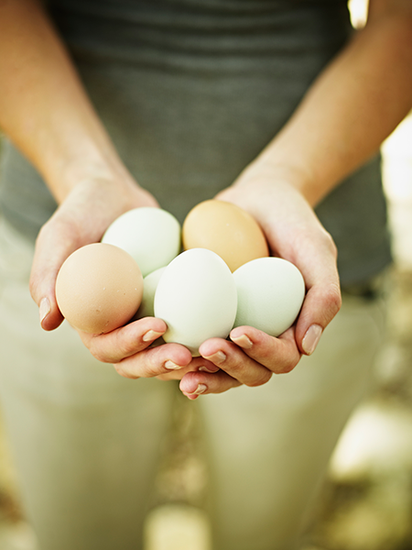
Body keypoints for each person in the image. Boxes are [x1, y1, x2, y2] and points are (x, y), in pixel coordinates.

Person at [0, 0, 411, 548]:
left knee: (263, 537)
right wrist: (82, 172)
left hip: (303, 257)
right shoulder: (97, 267)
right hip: (65, 230)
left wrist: (289, 177)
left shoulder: (278, 280)